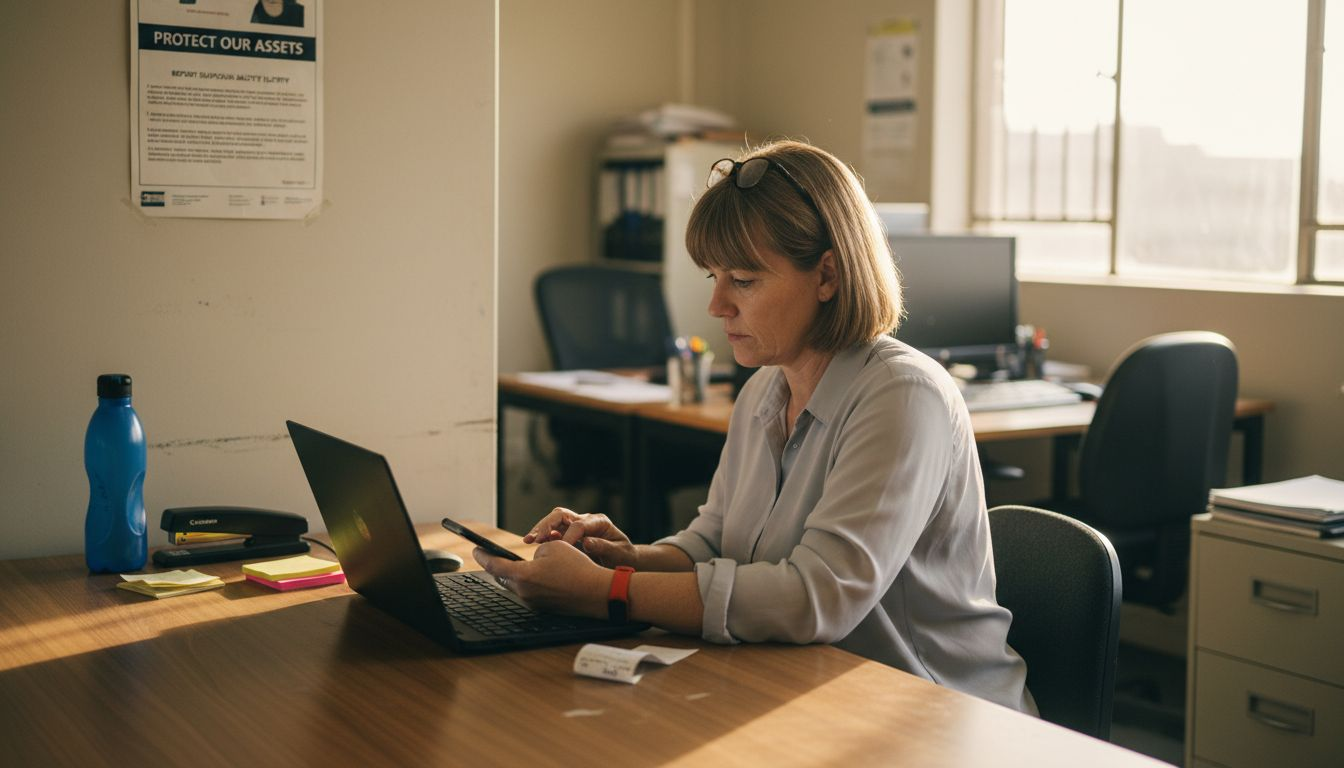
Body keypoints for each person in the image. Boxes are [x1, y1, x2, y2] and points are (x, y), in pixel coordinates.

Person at [476, 140, 1035, 713]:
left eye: (743, 280)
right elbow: (715, 544)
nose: (717, 305)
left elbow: (817, 597)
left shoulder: (901, 395)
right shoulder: (765, 390)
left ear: (828, 275)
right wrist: (625, 560)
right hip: (813, 689)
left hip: (936, 713)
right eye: (714, 276)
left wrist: (610, 594)